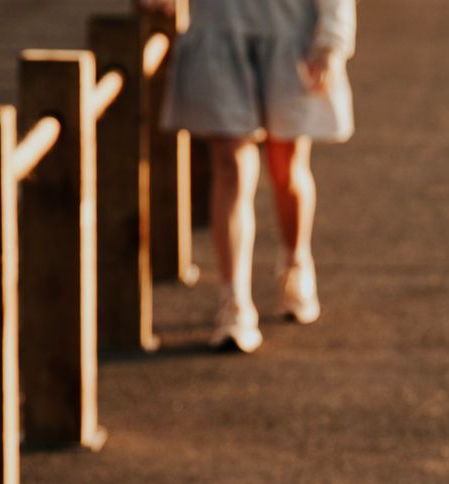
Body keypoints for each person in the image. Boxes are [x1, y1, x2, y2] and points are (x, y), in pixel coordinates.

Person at [145, 0, 356, 353]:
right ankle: (234, 302)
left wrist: (332, 41)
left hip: (290, 33)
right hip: (219, 31)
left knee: (285, 168)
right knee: (232, 167)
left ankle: (295, 261)